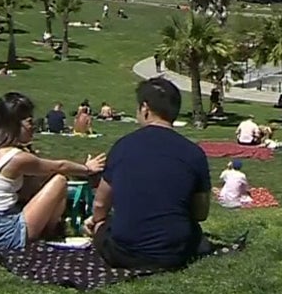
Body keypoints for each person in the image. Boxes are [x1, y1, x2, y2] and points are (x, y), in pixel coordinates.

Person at [83, 77, 211, 270]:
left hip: (124, 253)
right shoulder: (194, 153)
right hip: (176, 253)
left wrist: (96, 222)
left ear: (145, 108)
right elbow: (200, 214)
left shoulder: (123, 147)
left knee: (102, 226)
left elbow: (100, 204)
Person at [0, 93, 106, 251]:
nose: (34, 127)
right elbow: (59, 167)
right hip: (3, 234)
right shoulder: (15, 158)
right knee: (59, 181)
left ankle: (50, 229)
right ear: (14, 125)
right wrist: (87, 168)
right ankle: (51, 233)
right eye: (30, 122)